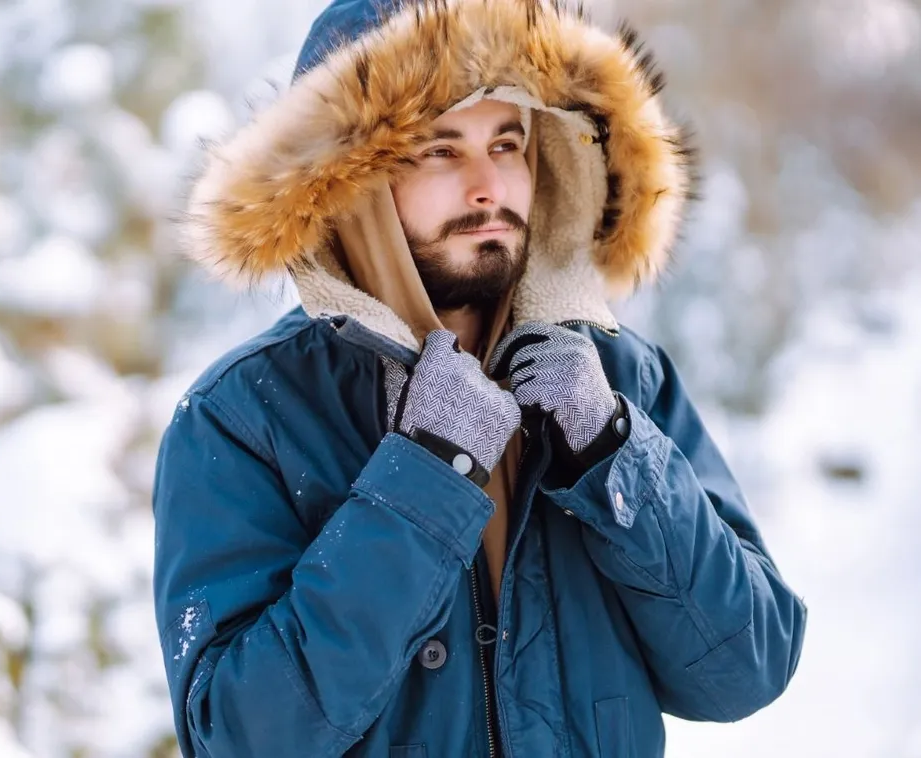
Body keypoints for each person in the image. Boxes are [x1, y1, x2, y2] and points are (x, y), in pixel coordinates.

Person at [152, 1, 807, 755]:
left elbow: (747, 668)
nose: (488, 186)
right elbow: (239, 738)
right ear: (346, 182)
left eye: (506, 143)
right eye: (439, 149)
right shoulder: (244, 415)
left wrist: (611, 457)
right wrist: (423, 478)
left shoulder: (620, 376)